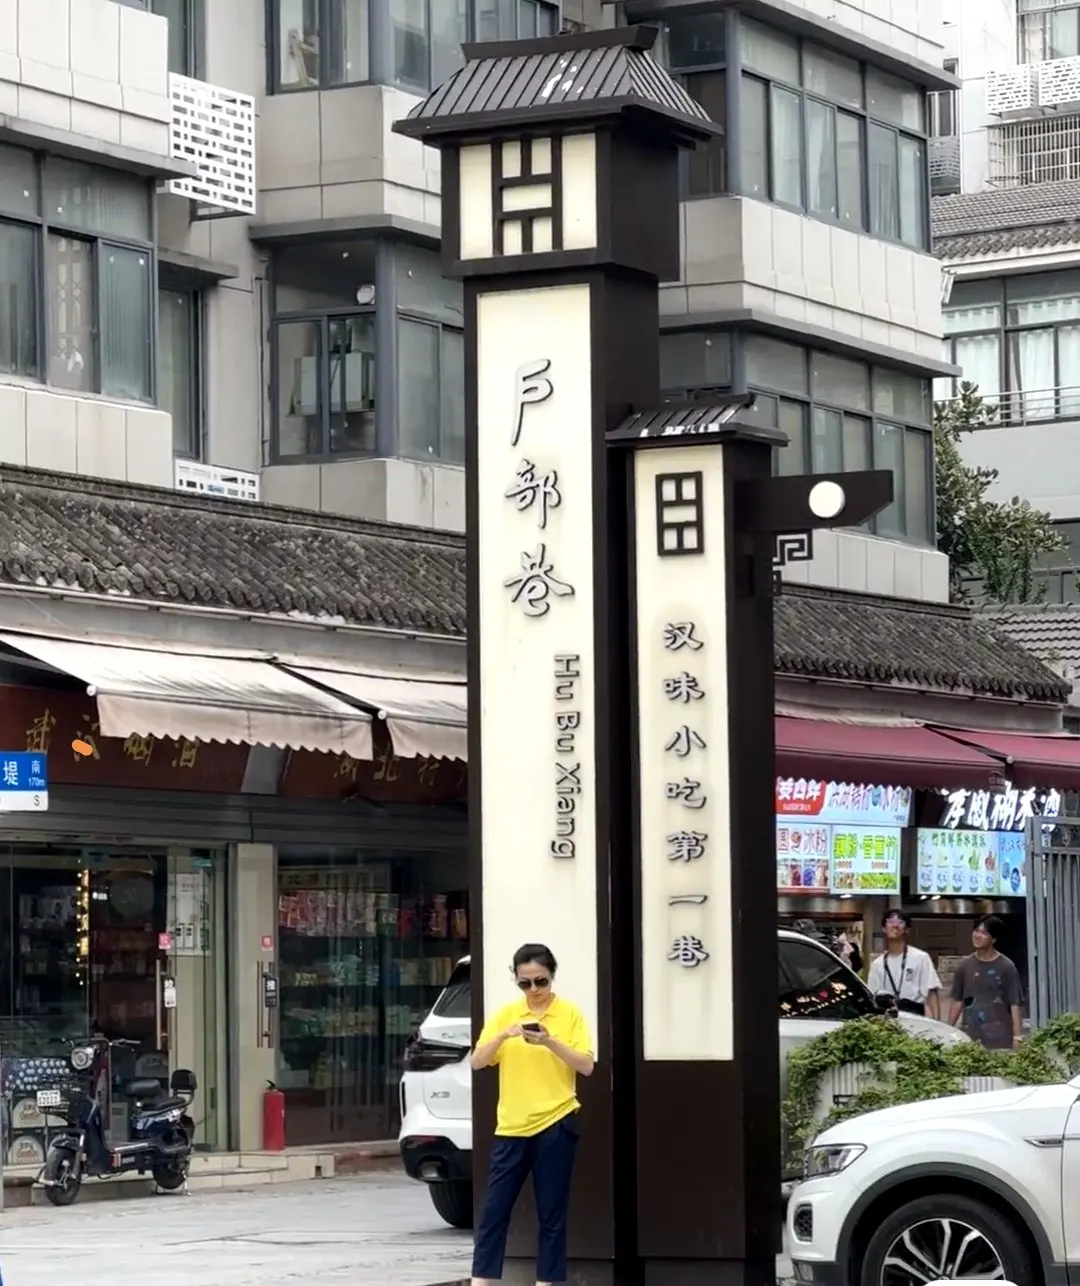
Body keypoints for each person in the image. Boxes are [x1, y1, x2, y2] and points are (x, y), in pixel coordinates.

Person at [469, 943, 595, 1286]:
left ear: (552, 975)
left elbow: (586, 1066)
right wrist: (503, 1035)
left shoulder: (570, 1014)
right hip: (512, 1125)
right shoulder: (507, 1014)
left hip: (556, 1120)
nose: (534, 990)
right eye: (525, 983)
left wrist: (550, 1041)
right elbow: (477, 1061)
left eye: (541, 981)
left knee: (552, 1211)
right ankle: (481, 1280)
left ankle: (546, 1281)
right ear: (516, 980)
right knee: (494, 1208)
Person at [948, 915, 1024, 1049]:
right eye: (976, 931)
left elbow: (1015, 1004)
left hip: (1000, 1038)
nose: (977, 936)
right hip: (970, 1038)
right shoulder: (964, 965)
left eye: (984, 933)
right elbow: (957, 1001)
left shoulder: (1006, 967)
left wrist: (1017, 1037)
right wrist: (947, 1029)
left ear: (993, 939)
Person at [867, 909, 942, 1018]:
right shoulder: (877, 964)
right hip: (887, 1018)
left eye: (900, 922)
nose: (895, 925)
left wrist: (937, 1024)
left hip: (915, 1015)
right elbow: (872, 996)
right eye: (891, 922)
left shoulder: (921, 957)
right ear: (884, 929)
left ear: (907, 929)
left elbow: (932, 993)